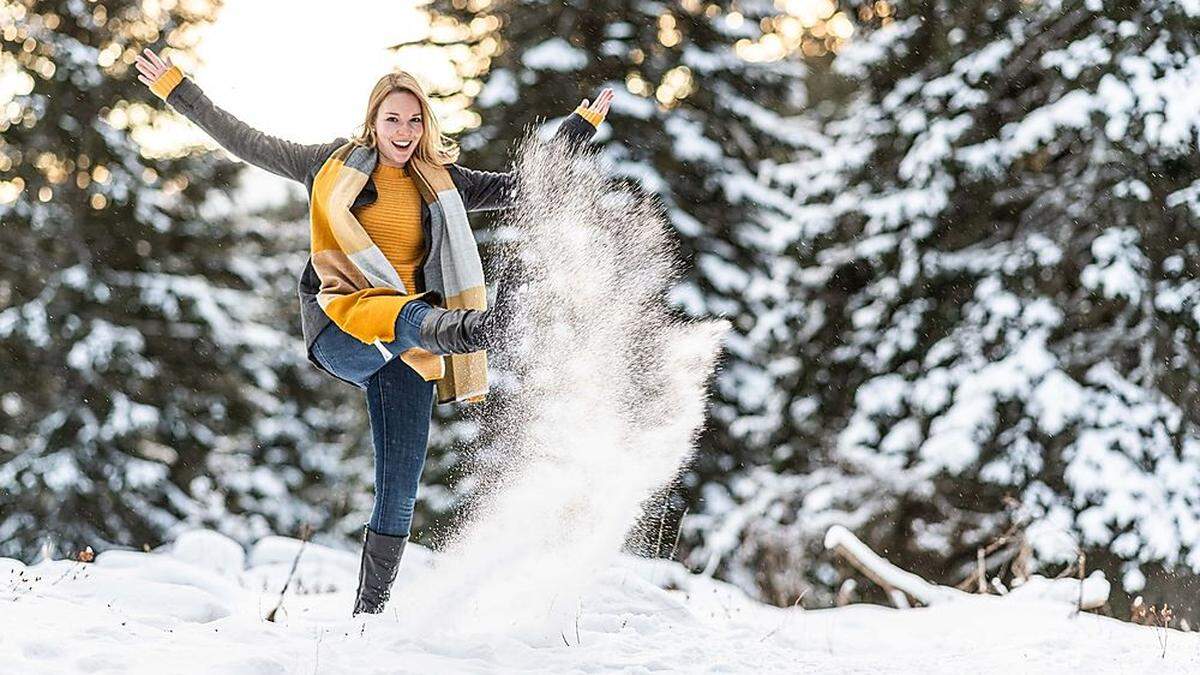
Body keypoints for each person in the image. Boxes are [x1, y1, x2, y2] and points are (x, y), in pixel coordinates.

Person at [134, 48, 612, 616]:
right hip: (341, 324)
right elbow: (246, 141)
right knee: (395, 313)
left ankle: (367, 619)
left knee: (400, 492)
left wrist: (578, 131)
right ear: (373, 121)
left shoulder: (443, 182)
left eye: (414, 120)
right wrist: (178, 90)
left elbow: (522, 187)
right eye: (393, 119)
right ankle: (473, 330)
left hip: (411, 344)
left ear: (425, 125)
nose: (404, 131)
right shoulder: (329, 165)